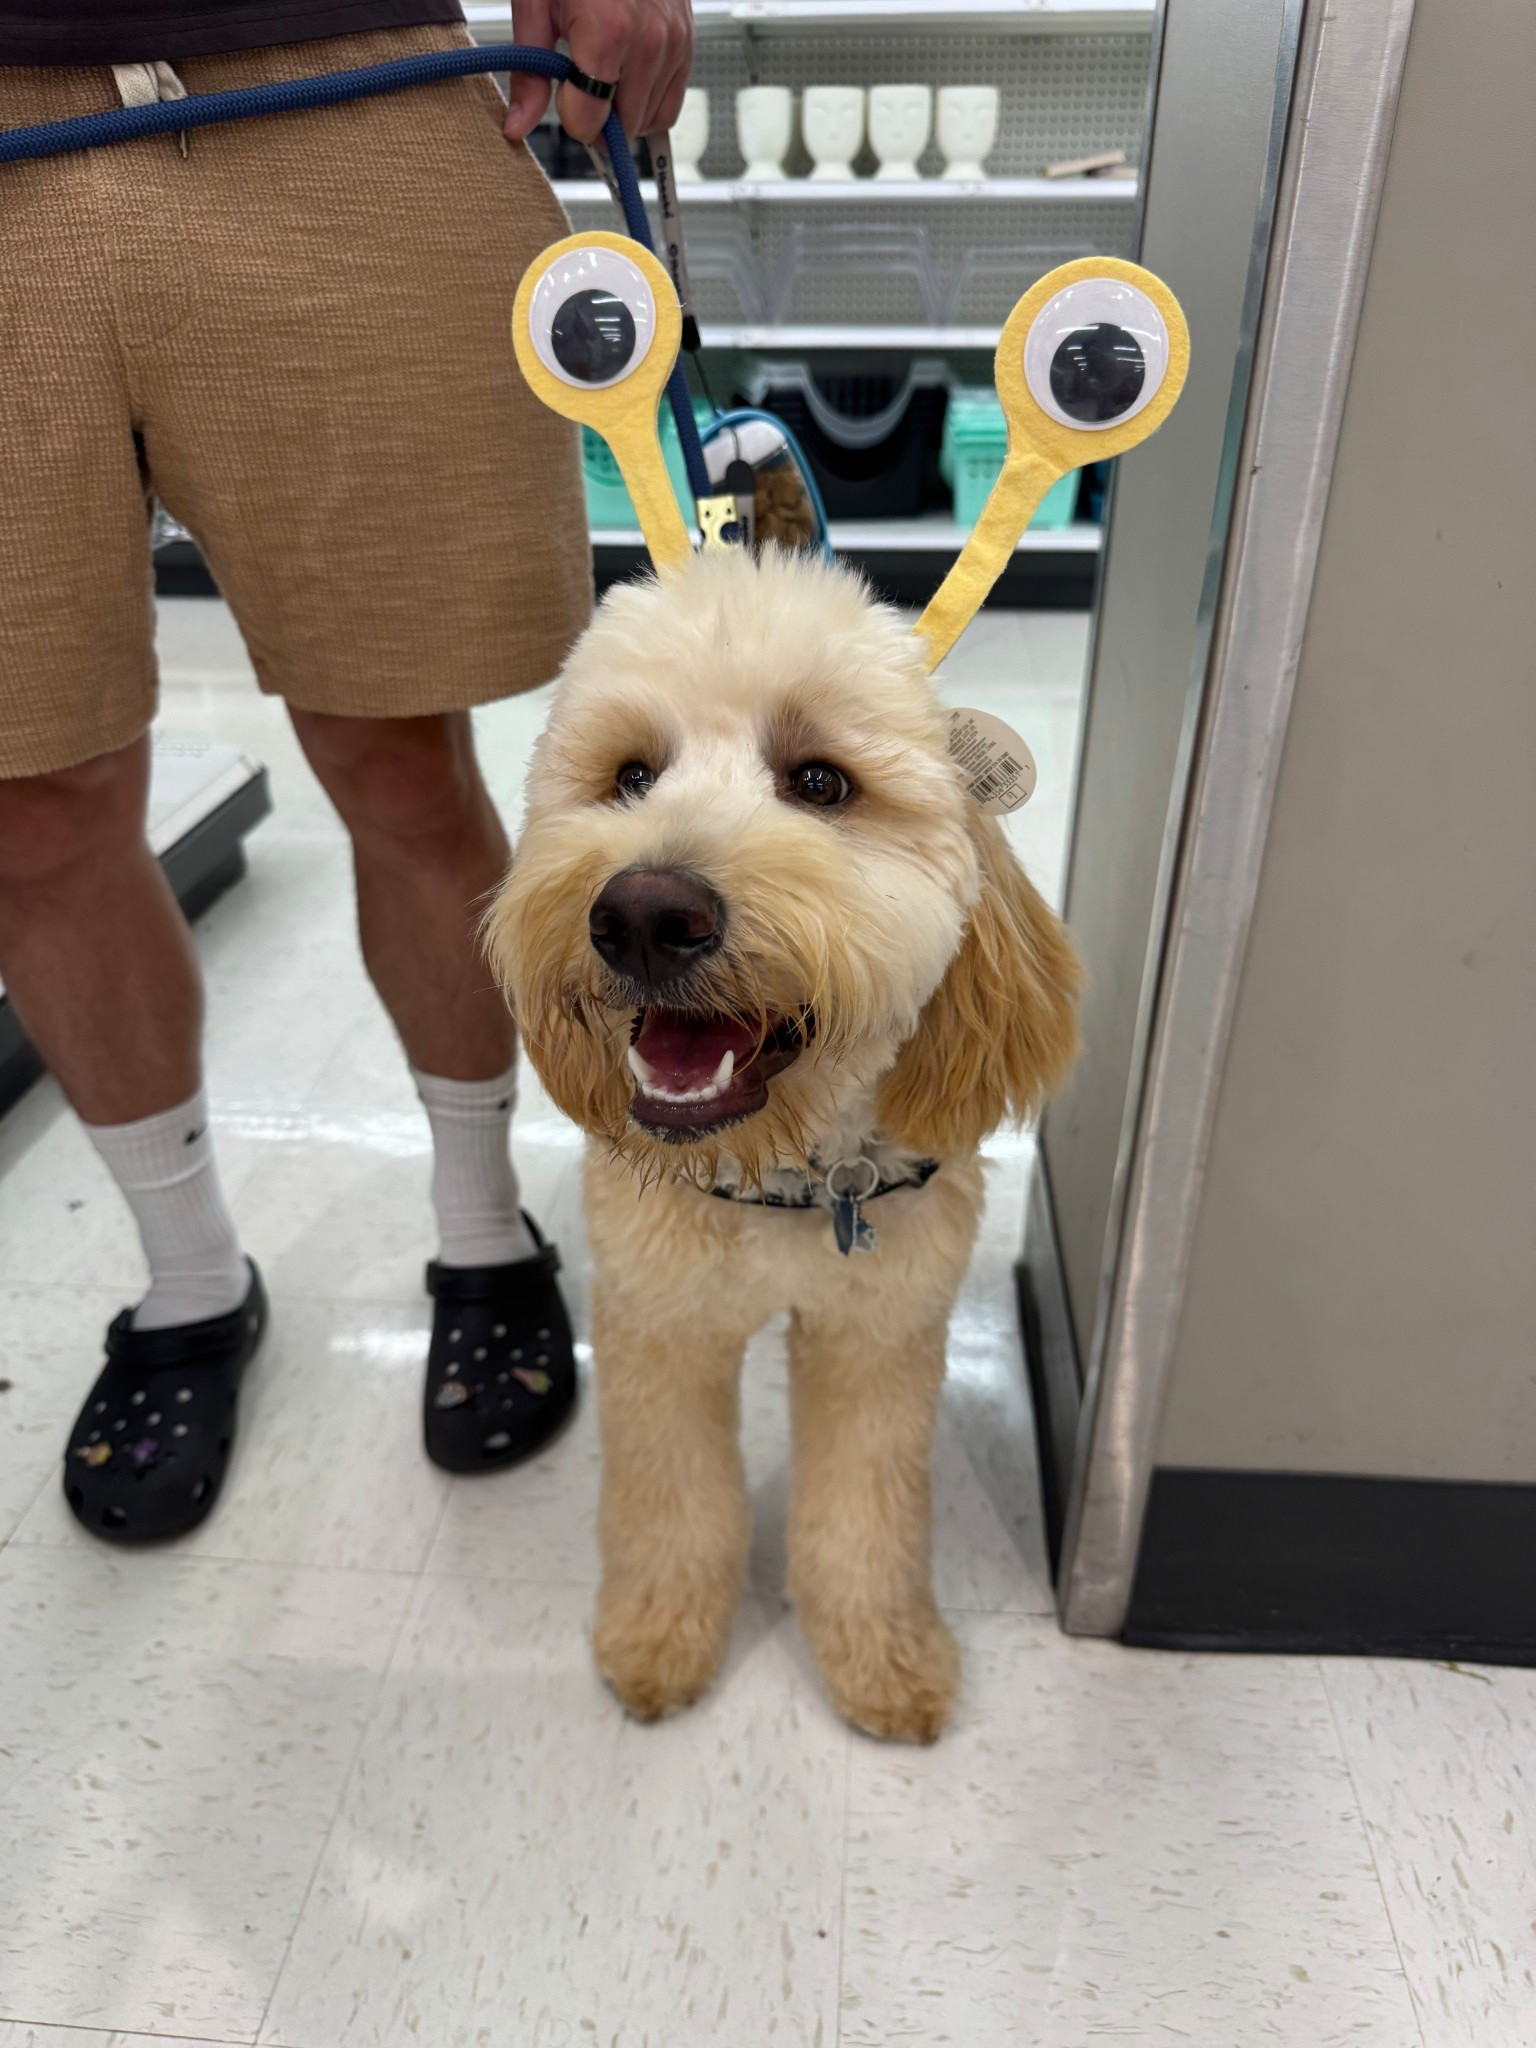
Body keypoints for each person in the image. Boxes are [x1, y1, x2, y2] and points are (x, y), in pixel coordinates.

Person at [0, 0, 693, 1540]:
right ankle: (187, 1287)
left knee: (397, 755)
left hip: (330, 85)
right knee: (28, 803)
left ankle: (481, 1229)